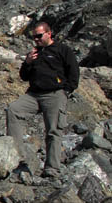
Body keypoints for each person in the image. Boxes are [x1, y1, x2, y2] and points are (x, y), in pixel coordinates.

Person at [6, 21, 79, 177]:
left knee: (53, 130)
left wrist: (66, 91)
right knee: (14, 110)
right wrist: (27, 63)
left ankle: (52, 168)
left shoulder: (62, 50)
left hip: (55, 94)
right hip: (33, 94)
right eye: (34, 37)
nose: (36, 40)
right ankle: (18, 160)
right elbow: (24, 76)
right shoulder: (34, 53)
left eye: (39, 36)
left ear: (49, 33)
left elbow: (74, 71)